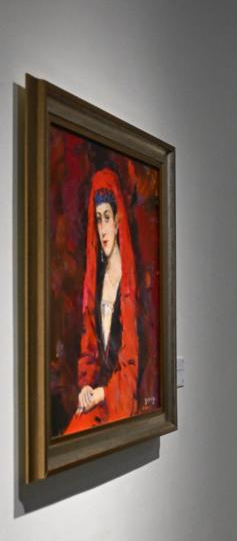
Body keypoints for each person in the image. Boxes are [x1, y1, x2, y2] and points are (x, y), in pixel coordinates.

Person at [63, 168, 140, 435]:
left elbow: (131, 366)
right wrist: (86, 387)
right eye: (98, 220)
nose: (103, 229)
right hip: (100, 397)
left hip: (120, 400)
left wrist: (103, 394)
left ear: (118, 221)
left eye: (107, 217)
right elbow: (89, 350)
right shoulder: (96, 281)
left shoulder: (129, 284)